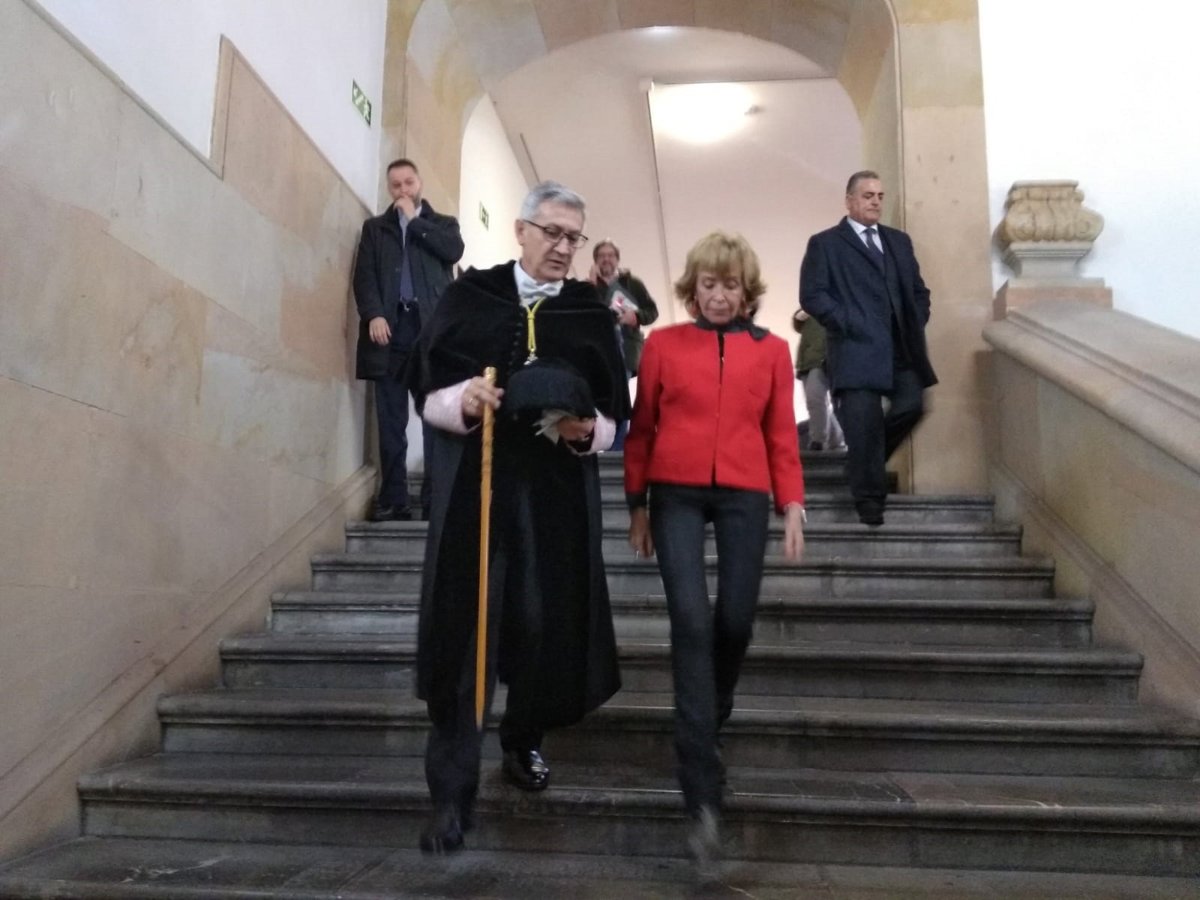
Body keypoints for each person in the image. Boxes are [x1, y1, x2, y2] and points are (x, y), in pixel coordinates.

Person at [409, 181, 630, 854]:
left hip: (554, 503)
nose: (563, 247)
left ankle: (522, 737)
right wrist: (462, 399)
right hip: (477, 496)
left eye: (573, 236)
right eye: (552, 232)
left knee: (540, 625)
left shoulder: (589, 312)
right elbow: (426, 389)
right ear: (521, 230)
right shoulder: (471, 296)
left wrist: (586, 432)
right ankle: (451, 795)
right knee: (465, 634)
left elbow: (615, 418)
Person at [624, 231, 805, 869]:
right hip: (673, 493)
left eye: (730, 285)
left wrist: (792, 503)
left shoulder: (773, 351)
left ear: (747, 291)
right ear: (692, 289)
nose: (720, 295)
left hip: (745, 495)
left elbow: (781, 432)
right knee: (692, 624)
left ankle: (711, 709)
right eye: (709, 284)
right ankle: (701, 788)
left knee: (734, 620)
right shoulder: (663, 345)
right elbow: (642, 428)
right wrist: (637, 503)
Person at [799, 170, 937, 526]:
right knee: (864, 425)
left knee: (911, 405)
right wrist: (846, 321)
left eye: (879, 196)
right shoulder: (826, 244)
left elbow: (918, 290)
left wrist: (916, 317)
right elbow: (812, 295)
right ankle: (870, 501)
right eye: (867, 195)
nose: (875, 201)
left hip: (901, 348)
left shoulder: (899, 242)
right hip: (855, 349)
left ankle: (863, 463)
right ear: (849, 201)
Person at [353, 158, 463, 521]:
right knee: (390, 422)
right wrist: (374, 314)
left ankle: (434, 500)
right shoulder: (375, 229)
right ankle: (394, 499)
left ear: (420, 183)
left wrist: (415, 222)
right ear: (389, 188)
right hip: (390, 333)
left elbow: (454, 251)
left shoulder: (443, 224)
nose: (403, 190)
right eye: (396, 185)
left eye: (409, 183)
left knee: (434, 418)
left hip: (430, 335)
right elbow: (364, 276)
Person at [590, 240, 659, 377]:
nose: (606, 259)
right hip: (602, 356)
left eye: (610, 255)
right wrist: (591, 284)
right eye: (601, 256)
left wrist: (636, 317)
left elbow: (652, 311)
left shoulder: (633, 283)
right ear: (595, 261)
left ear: (617, 259)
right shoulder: (589, 287)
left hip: (629, 354)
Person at [791, 308, 845, 451]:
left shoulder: (836, 306)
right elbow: (797, 325)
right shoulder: (809, 311)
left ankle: (818, 440)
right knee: (818, 402)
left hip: (823, 359)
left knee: (815, 398)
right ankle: (837, 440)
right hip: (806, 361)